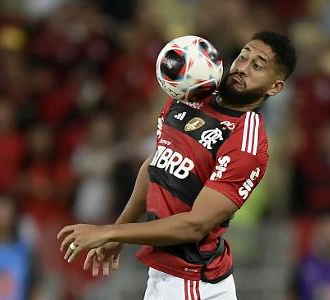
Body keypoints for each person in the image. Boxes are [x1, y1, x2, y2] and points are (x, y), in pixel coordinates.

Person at [57, 31, 296, 299]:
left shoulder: (245, 140)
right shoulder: (189, 93)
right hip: (171, 279)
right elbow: (157, 164)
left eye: (257, 65)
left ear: (274, 87)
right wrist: (118, 235)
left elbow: (195, 225)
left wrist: (107, 231)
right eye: (243, 57)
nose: (242, 68)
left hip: (192, 280)